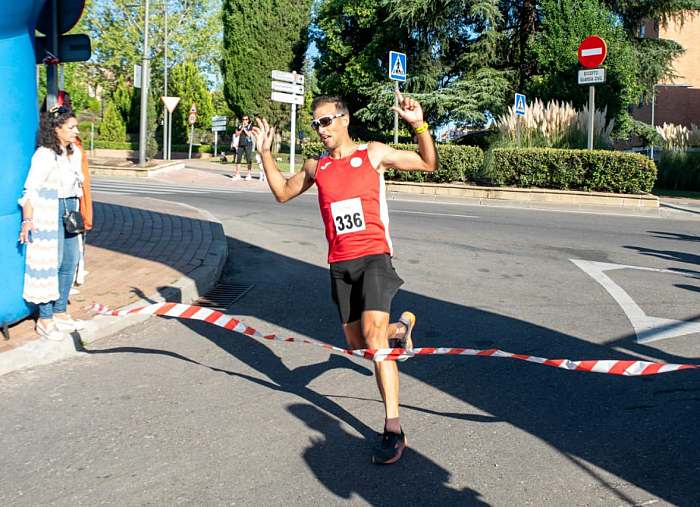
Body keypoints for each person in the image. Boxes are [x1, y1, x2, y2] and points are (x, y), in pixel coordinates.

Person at [251, 91, 438, 464]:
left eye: (326, 121)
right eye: (315, 124)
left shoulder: (372, 153)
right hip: (340, 264)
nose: (321, 129)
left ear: (344, 119)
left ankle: (394, 428)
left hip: (374, 258)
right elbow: (282, 193)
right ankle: (399, 330)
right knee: (357, 344)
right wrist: (266, 154)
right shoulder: (315, 167)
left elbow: (428, 163)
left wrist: (418, 124)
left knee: (372, 340)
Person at [18, 106, 86, 341]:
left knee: (70, 261)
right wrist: (27, 220)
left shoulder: (73, 152)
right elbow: (31, 189)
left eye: (75, 126)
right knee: (50, 263)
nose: (76, 131)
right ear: (56, 129)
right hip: (49, 210)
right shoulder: (45, 154)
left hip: (70, 208)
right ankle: (45, 320)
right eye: (71, 127)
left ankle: (60, 312)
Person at [233, 115, 254, 180]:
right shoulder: (239, 126)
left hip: (248, 144)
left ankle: (249, 175)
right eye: (243, 119)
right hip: (240, 144)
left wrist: (244, 128)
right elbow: (236, 134)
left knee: (248, 159)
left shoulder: (250, 126)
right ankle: (237, 174)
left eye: (246, 119)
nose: (244, 120)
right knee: (238, 159)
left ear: (248, 120)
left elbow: (249, 134)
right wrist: (241, 129)